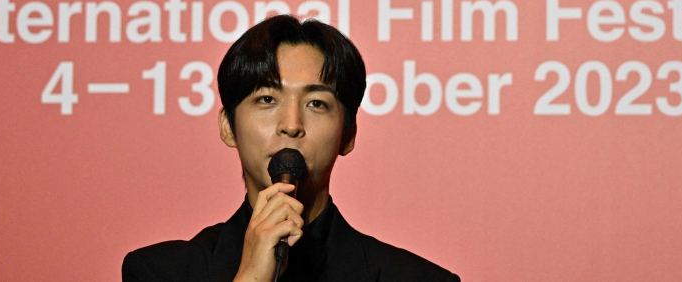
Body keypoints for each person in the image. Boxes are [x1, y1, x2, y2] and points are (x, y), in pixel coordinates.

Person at [122, 15, 460, 282]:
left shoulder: (417, 278)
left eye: (316, 103)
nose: (291, 124)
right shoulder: (161, 272)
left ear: (348, 134)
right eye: (267, 99)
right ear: (228, 127)